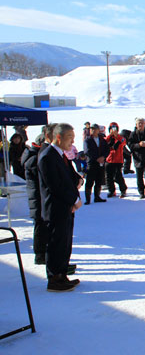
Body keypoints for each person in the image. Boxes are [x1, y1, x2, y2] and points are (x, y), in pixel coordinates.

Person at [38, 123, 83, 291]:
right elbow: (55, 185)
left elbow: (67, 178)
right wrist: (73, 200)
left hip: (65, 208)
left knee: (64, 242)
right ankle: (55, 278)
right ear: (59, 137)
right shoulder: (47, 156)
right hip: (56, 208)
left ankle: (62, 275)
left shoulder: (60, 155)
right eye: (69, 137)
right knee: (56, 243)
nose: (72, 141)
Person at [22, 131, 47, 265]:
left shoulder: (33, 155)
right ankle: (40, 254)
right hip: (38, 198)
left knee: (41, 227)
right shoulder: (33, 158)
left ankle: (42, 253)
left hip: (38, 198)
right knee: (40, 227)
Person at [84, 123, 109, 204]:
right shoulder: (87, 140)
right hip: (92, 163)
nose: (93, 131)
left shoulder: (102, 140)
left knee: (99, 181)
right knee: (89, 182)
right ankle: (88, 199)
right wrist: (97, 158)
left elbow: (107, 150)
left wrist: (103, 157)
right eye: (92, 129)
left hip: (101, 163)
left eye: (95, 129)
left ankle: (97, 197)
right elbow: (87, 151)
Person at [105, 122, 128, 198]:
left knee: (118, 176)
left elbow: (123, 142)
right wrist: (110, 135)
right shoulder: (108, 138)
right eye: (111, 129)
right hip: (109, 160)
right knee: (109, 177)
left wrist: (116, 135)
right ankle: (111, 191)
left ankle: (123, 190)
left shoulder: (120, 138)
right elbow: (104, 142)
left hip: (118, 160)